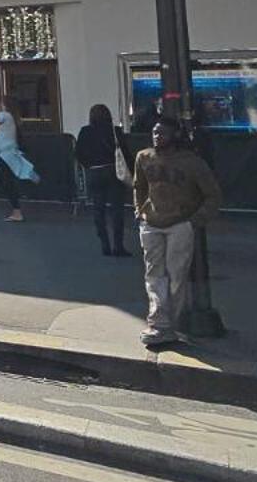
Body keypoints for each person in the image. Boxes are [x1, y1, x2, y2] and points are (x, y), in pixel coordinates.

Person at [133, 117, 222, 347]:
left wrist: (194, 221)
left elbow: (213, 194)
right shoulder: (144, 157)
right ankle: (159, 323)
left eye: (162, 133)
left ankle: (170, 323)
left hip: (180, 223)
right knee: (154, 274)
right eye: (154, 132)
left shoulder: (191, 162)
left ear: (175, 136)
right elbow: (139, 186)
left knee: (175, 276)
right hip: (152, 221)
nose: (157, 137)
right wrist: (139, 211)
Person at [75, 102, 131, 257]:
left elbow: (78, 152)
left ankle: (104, 244)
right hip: (113, 170)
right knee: (117, 209)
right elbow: (125, 153)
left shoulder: (85, 132)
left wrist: (88, 165)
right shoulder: (115, 131)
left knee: (98, 209)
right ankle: (118, 245)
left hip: (94, 172)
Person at [0, 108, 39, 221]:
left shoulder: (4, 115)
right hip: (8, 154)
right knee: (9, 178)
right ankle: (17, 205)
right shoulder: (11, 119)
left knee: (2, 181)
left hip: (6, 156)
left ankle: (17, 210)